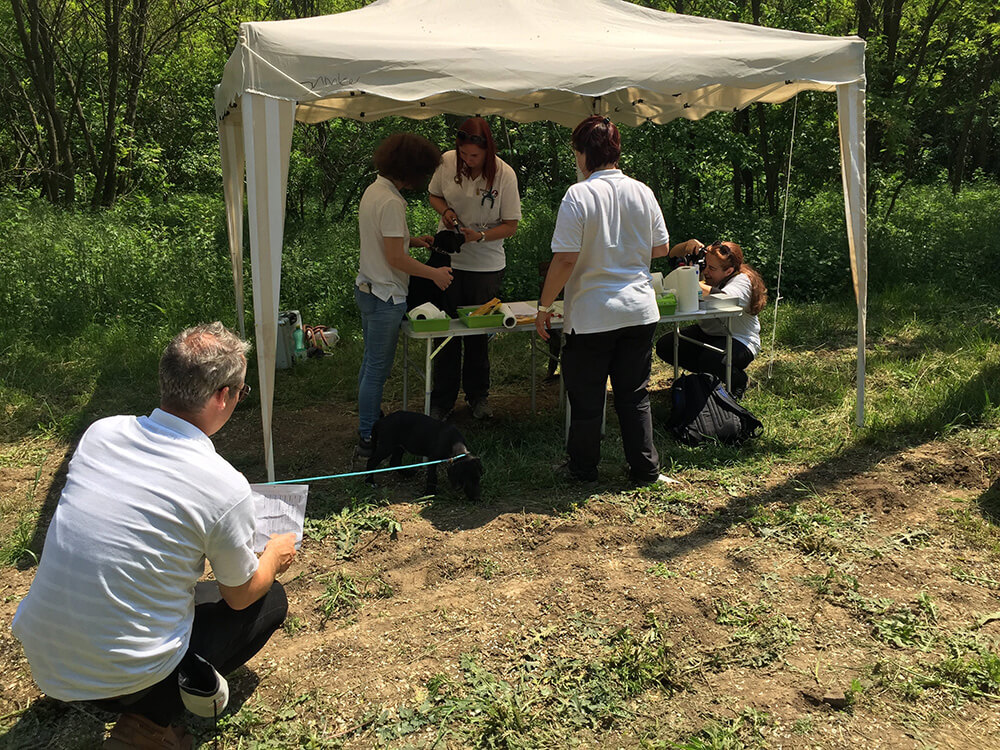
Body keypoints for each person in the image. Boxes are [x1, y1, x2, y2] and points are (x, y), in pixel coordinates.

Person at [12, 322, 296, 749]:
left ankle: (99, 675)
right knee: (269, 599)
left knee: (192, 592)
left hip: (47, 661)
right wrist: (273, 555)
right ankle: (147, 722)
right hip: (125, 680)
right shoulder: (223, 484)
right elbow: (239, 596)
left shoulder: (101, 433)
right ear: (223, 396)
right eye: (241, 392)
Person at [536, 115, 672, 485]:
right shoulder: (642, 191)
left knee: (586, 398)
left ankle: (583, 470)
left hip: (593, 313)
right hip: (638, 309)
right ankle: (645, 469)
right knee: (634, 394)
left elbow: (565, 259)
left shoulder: (579, 194)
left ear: (582, 154)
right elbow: (660, 248)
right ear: (616, 151)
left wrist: (544, 306)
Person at [356, 133, 452, 457]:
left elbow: (386, 241)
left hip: (368, 288)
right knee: (377, 370)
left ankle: (367, 423)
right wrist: (434, 274)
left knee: (370, 363)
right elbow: (395, 258)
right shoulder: (392, 202)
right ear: (410, 170)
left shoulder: (374, 190)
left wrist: (414, 240)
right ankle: (368, 435)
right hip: (386, 295)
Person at [427, 117, 521, 420]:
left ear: (488, 151)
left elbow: (511, 225)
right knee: (446, 332)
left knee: (478, 334)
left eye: (475, 156)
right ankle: (442, 401)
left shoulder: (504, 174)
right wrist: (446, 211)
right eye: (464, 154)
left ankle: (478, 397)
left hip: (486, 265)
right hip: (448, 261)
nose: (468, 160)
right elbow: (434, 195)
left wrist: (479, 236)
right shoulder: (446, 162)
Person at [656, 239, 767, 397]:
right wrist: (686, 246)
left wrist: (689, 279)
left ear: (728, 271)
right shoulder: (708, 274)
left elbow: (723, 298)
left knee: (711, 359)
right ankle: (707, 377)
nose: (706, 272)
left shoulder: (742, 280)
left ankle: (738, 380)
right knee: (666, 345)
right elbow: (673, 256)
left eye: (712, 268)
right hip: (708, 333)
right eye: (705, 265)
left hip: (740, 339)